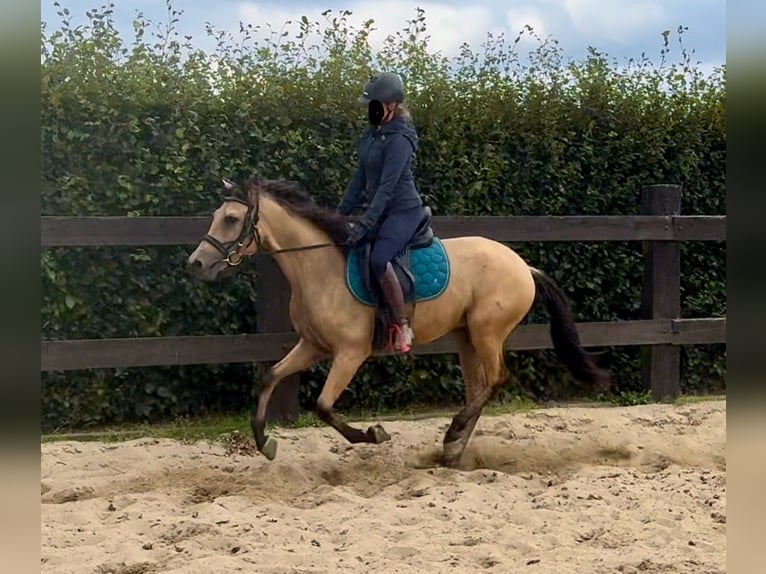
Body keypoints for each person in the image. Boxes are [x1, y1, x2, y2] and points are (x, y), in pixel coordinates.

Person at [337, 71, 427, 353]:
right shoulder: (372, 136)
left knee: (378, 259)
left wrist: (367, 222)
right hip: (381, 210)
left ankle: (402, 325)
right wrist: (338, 215)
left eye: (374, 104)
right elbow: (359, 179)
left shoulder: (400, 138)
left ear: (391, 106)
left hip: (403, 211)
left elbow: (387, 189)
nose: (370, 110)